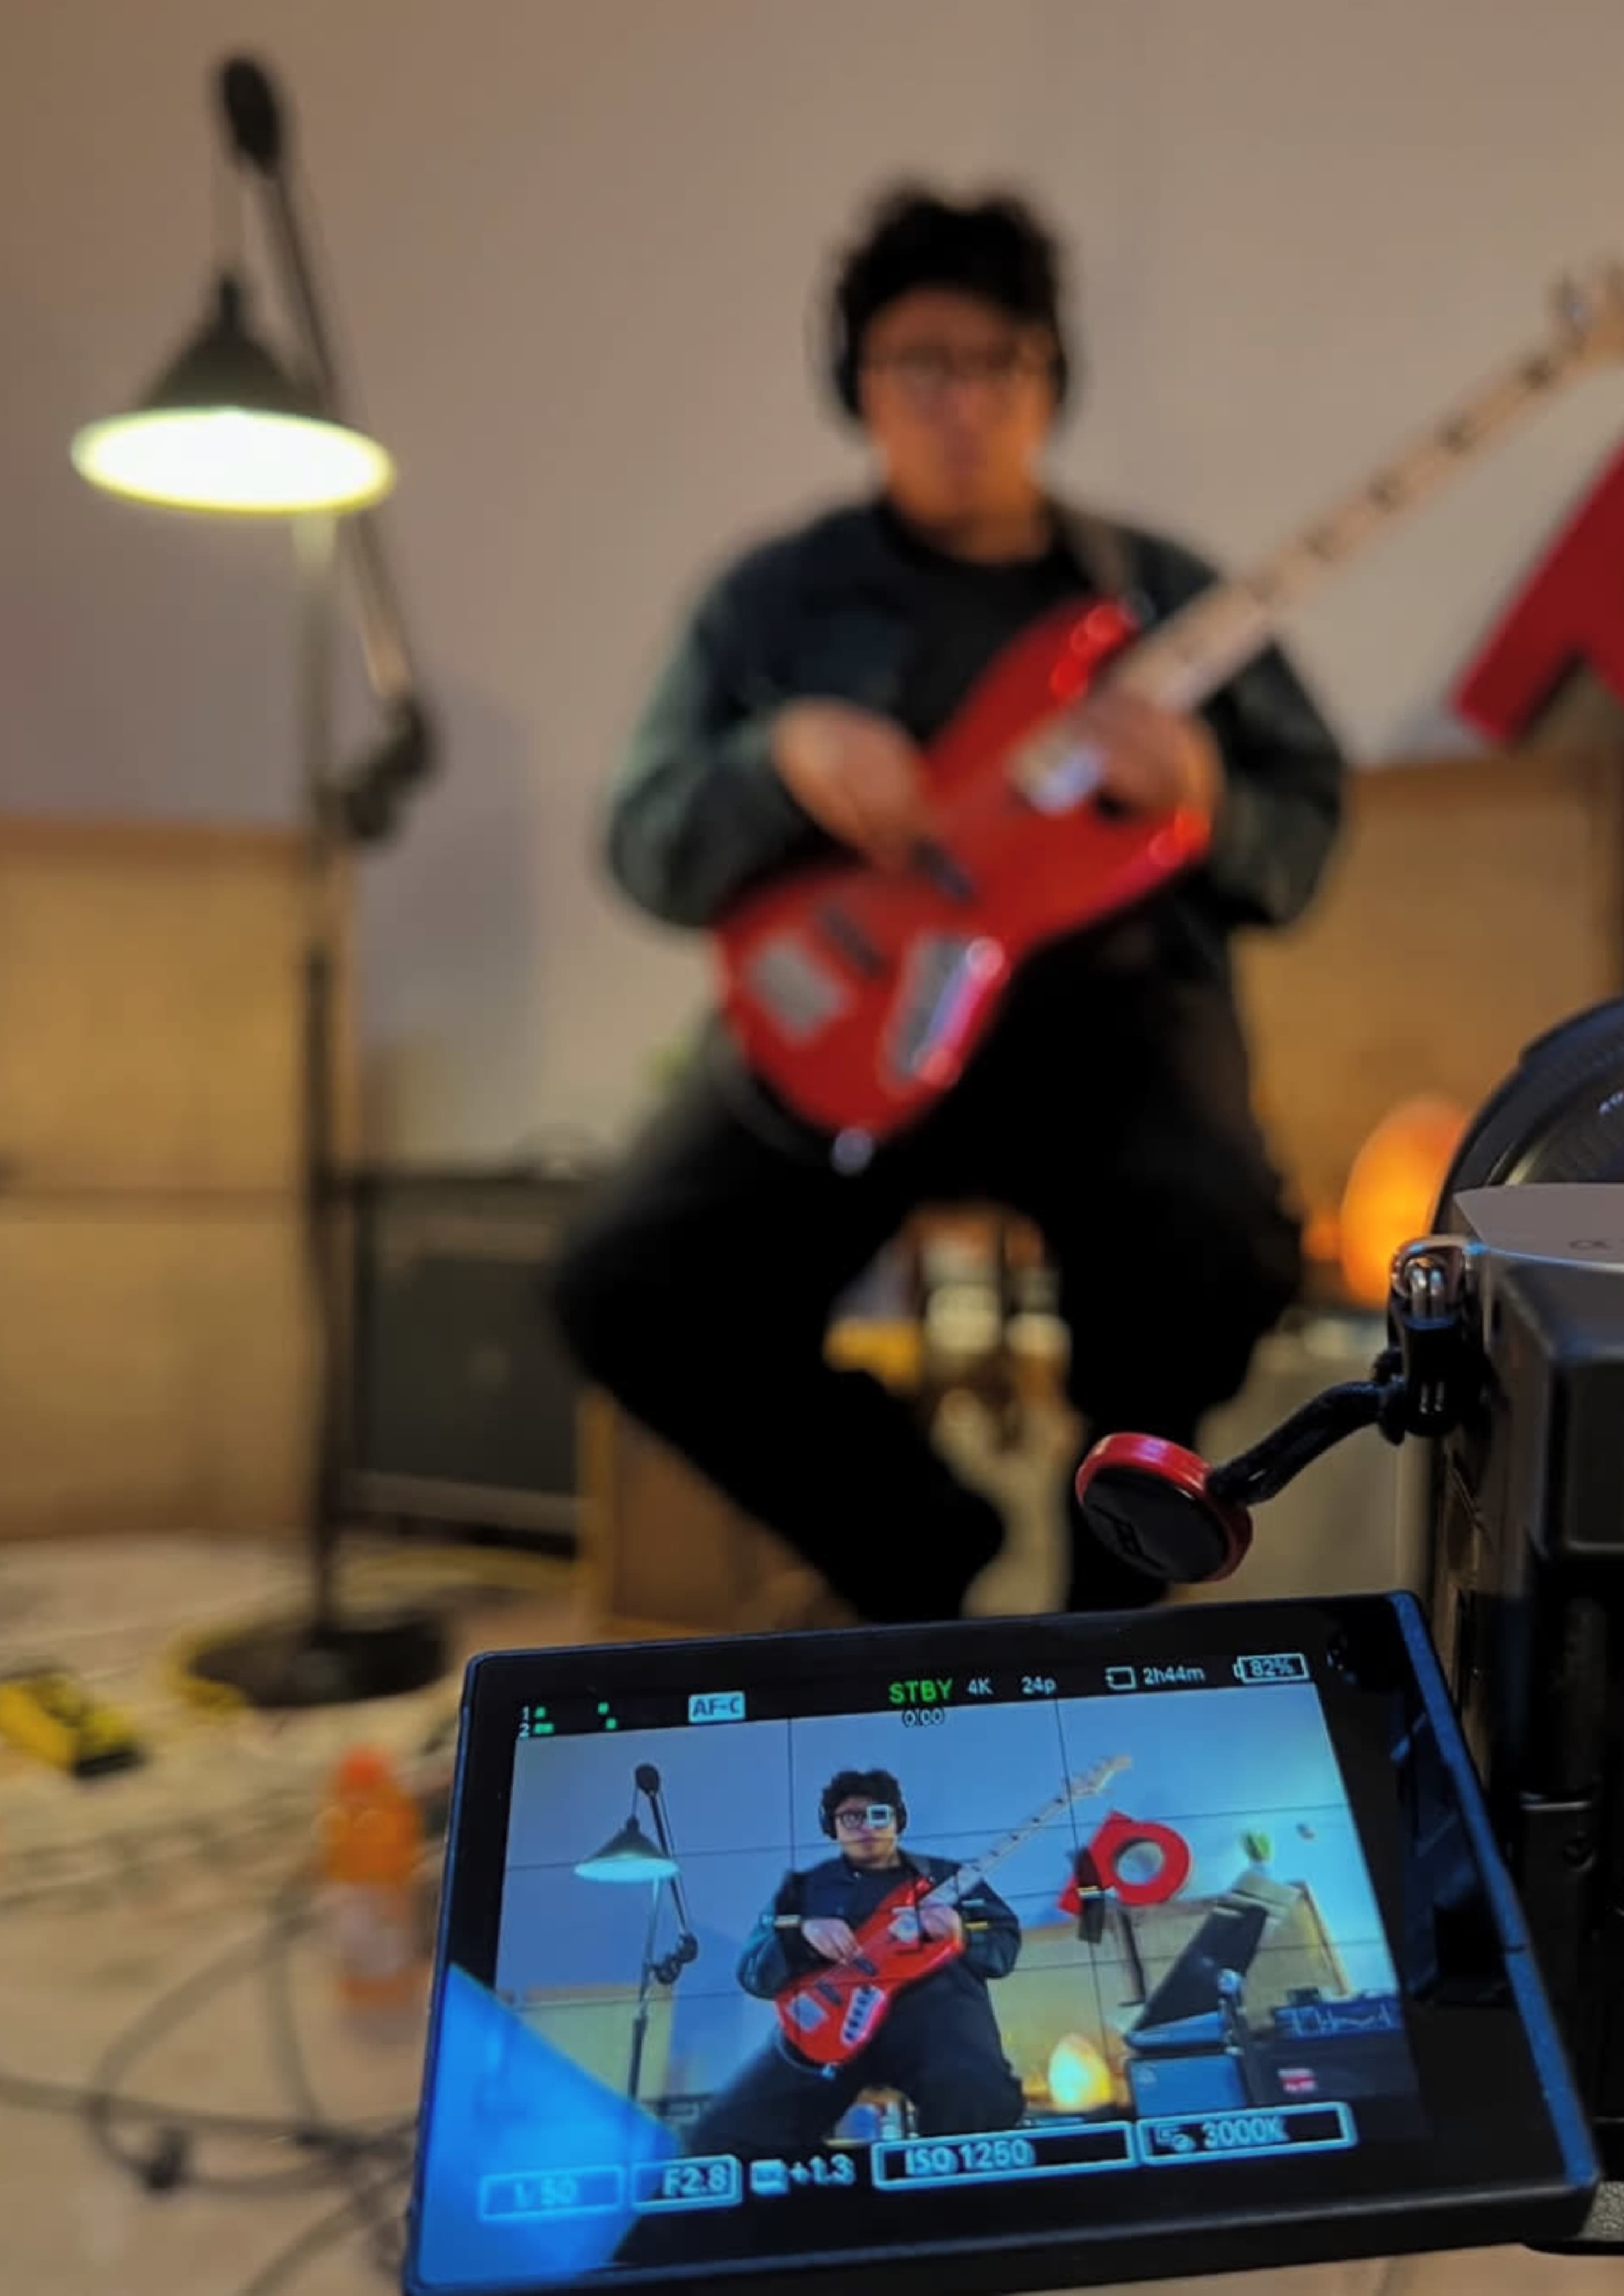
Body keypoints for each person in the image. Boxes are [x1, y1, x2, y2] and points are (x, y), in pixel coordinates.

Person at [550, 182, 1345, 1620]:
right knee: (624, 1284)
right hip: (858, 1025)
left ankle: (1112, 1610)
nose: (961, 401)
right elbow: (644, 846)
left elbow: (1305, 838)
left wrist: (1208, 795)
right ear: (858, 386)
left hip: (1109, 1022)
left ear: (1051, 381)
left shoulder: (1158, 596)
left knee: (1214, 1242)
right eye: (920, 363)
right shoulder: (773, 601)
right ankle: (911, 1543)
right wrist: (774, 758)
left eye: (999, 362)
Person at [686, 1768, 1024, 2157]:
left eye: (879, 1814)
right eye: (851, 1817)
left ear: (898, 1819)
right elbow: (752, 1971)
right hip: (827, 2032)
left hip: (938, 2022)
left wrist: (963, 1934)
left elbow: (1004, 1945)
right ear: (832, 1826)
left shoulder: (948, 1877)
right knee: (724, 2135)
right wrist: (801, 1935)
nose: (866, 1826)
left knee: (977, 2098)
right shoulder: (803, 1890)